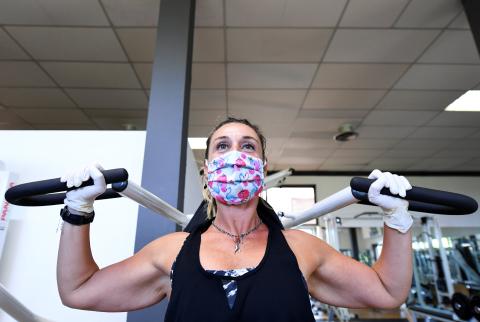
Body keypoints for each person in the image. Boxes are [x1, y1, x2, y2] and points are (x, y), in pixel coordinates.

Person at [57, 117, 413, 321]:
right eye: (222, 146)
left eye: (248, 146)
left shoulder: (301, 249)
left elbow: (388, 292)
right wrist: (77, 212)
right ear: (208, 169)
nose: (236, 155)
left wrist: (396, 218)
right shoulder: (171, 252)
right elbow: (78, 291)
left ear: (262, 168)